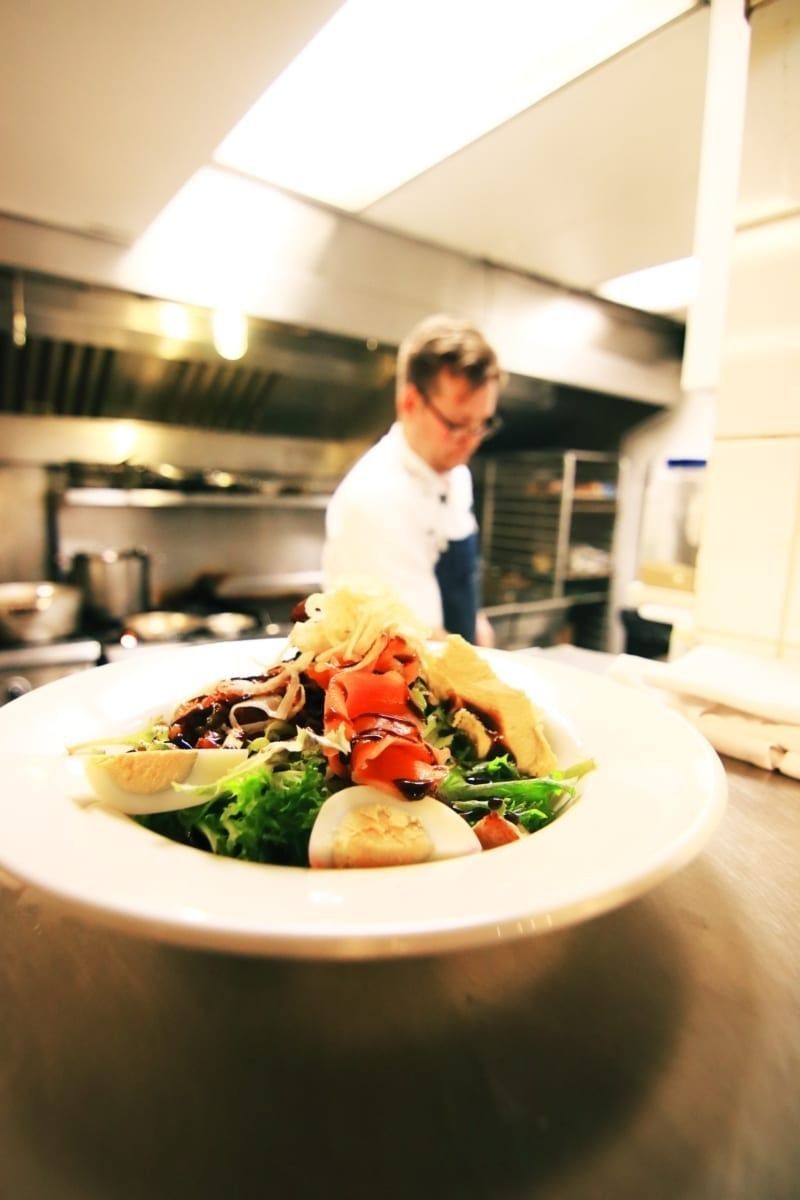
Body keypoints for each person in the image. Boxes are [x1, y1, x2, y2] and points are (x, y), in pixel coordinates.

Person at [321, 313, 504, 645]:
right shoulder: (376, 497)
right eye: (456, 424)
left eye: (482, 424)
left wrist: (480, 629)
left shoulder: (455, 474)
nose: (471, 441)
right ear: (409, 402)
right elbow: (419, 644)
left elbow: (462, 595)